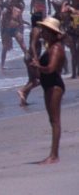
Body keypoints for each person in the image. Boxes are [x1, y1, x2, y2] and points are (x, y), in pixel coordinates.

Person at [31, 17, 66, 164]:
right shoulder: (51, 46)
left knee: (55, 120)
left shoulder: (56, 48)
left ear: (51, 32)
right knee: (52, 120)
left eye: (44, 30)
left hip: (54, 85)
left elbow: (51, 68)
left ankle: (54, 155)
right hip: (49, 85)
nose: (42, 33)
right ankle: (53, 154)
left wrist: (38, 66)